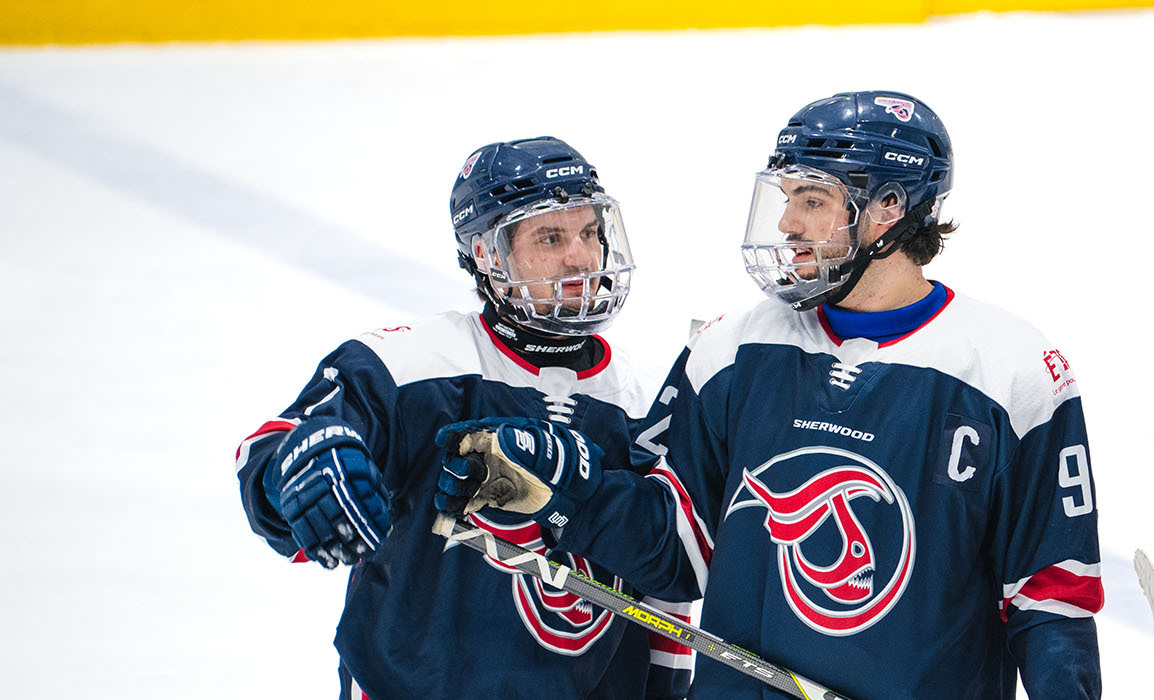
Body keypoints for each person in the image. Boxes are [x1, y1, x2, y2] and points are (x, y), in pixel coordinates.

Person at [433, 90, 1105, 700]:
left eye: (811, 199)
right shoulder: (730, 350)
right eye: (785, 198)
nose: (786, 222)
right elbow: (676, 554)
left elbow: (1051, 600)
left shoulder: (1012, 372)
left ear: (890, 210)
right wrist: (563, 495)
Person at [232, 137, 692, 699]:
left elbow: (673, 582)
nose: (580, 258)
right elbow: (275, 457)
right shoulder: (407, 368)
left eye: (590, 232)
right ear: (487, 254)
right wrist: (296, 474)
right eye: (550, 237)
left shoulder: (653, 399)